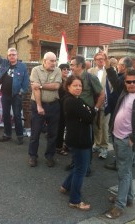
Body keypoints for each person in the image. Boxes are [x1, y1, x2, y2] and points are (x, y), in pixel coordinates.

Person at [105, 69, 135, 219]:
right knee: (126, 170)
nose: (131, 84)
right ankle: (128, 198)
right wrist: (107, 64)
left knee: (123, 173)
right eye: (128, 81)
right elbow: (112, 79)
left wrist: (133, 139)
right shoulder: (123, 91)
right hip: (116, 136)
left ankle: (119, 205)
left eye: (134, 81)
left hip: (127, 140)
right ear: (125, 82)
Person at [0, 37, 29, 145]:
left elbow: (26, 82)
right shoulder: (4, 63)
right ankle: (7, 134)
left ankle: (20, 135)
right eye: (10, 55)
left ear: (17, 56)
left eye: (14, 54)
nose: (12, 56)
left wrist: (21, 92)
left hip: (16, 96)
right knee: (6, 115)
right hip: (5, 95)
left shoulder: (22, 67)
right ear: (8, 56)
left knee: (17, 115)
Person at [59, 75, 95, 211]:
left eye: (80, 85)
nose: (78, 88)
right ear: (68, 86)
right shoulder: (72, 101)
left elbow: (88, 111)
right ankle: (74, 200)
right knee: (81, 169)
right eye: (75, 85)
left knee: (77, 166)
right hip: (80, 140)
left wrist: (89, 111)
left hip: (77, 138)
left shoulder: (75, 99)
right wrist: (89, 111)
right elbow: (90, 116)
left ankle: (65, 186)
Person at [69, 55, 105, 175]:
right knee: (75, 139)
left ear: (80, 66)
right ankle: (75, 163)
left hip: (87, 114)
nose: (71, 67)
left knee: (87, 141)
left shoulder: (90, 77)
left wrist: (95, 109)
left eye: (72, 65)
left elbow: (101, 94)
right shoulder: (72, 77)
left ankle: (86, 166)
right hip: (75, 114)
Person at [28, 52, 62, 167]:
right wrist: (39, 106)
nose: (54, 63)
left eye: (55, 60)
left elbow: (56, 86)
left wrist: (41, 85)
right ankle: (33, 156)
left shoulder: (58, 70)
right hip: (38, 105)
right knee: (35, 132)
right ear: (44, 61)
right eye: (51, 61)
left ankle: (50, 156)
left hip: (54, 105)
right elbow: (35, 89)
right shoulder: (36, 70)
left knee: (53, 133)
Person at [104, 56, 133, 170]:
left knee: (119, 138)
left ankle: (119, 163)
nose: (117, 66)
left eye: (119, 64)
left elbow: (116, 83)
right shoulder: (128, 75)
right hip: (121, 111)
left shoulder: (126, 77)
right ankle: (127, 160)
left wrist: (107, 65)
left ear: (124, 66)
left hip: (123, 113)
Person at [88, 52, 114, 159]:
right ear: (94, 60)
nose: (100, 60)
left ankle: (104, 147)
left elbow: (112, 87)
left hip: (105, 103)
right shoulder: (90, 71)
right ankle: (97, 144)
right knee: (95, 124)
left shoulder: (109, 71)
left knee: (104, 125)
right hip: (93, 102)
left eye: (102, 58)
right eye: (98, 59)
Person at [56, 63, 70, 156]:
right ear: (60, 70)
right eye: (64, 69)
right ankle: (58, 147)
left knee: (67, 127)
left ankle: (66, 145)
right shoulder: (58, 81)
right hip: (59, 107)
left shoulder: (68, 80)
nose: (66, 70)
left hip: (67, 107)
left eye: (67, 69)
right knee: (60, 128)